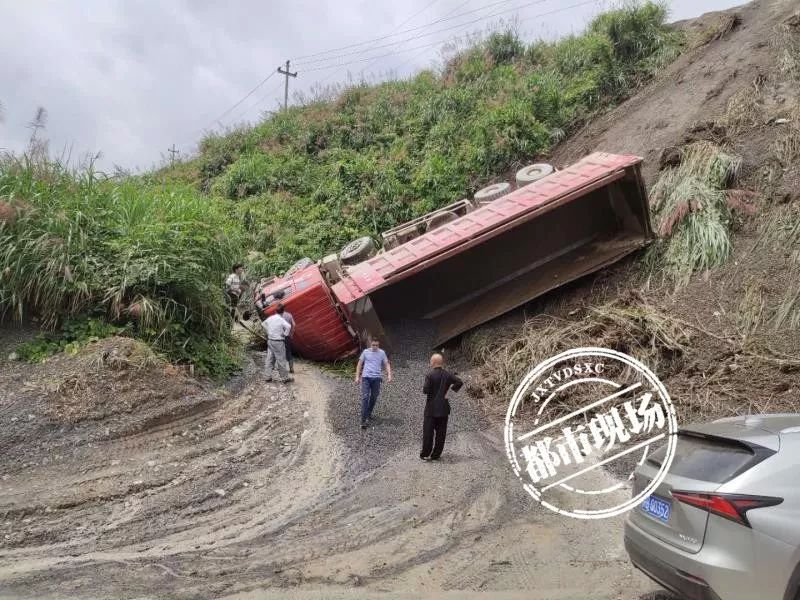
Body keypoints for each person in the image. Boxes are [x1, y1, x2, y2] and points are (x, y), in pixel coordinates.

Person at [420, 353, 463, 461]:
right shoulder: (447, 374)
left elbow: (425, 390)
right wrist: (450, 391)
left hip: (431, 408)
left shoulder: (429, 375)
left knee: (428, 432)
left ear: (433, 362)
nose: (430, 362)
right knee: (441, 433)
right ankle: (436, 454)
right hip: (443, 408)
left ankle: (425, 453)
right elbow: (459, 382)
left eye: (431, 361)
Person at [355, 338, 392, 429]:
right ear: (370, 345)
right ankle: (363, 420)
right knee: (365, 397)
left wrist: (389, 375)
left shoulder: (382, 353)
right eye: (373, 345)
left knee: (374, 396)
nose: (375, 347)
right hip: (366, 378)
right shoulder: (365, 352)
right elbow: (360, 364)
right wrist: (357, 376)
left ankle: (369, 413)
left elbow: (386, 364)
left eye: (376, 345)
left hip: (377, 378)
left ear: (378, 345)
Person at [261, 303, 292, 383]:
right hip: (278, 342)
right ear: (283, 312)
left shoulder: (271, 318)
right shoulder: (281, 319)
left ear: (275, 311)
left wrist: (268, 331)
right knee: (281, 359)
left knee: (270, 359)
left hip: (270, 341)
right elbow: (289, 326)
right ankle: (284, 378)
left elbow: (263, 324)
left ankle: (267, 376)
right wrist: (285, 334)